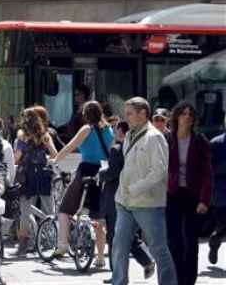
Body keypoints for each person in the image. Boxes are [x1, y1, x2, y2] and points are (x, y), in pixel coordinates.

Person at [112, 97, 177, 285]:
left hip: (148, 203)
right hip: (125, 201)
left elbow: (159, 170)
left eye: (130, 113)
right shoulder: (130, 135)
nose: (126, 117)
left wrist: (136, 188)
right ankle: (119, 282)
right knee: (119, 246)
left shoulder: (154, 137)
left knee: (158, 249)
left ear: (143, 113)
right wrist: (125, 191)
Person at [50, 100, 113, 268]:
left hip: (86, 170)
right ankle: (100, 257)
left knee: (65, 208)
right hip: (102, 172)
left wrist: (55, 159)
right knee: (98, 216)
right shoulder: (109, 130)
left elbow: (70, 147)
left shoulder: (86, 129)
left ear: (85, 115)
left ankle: (62, 245)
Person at [99, 121, 155, 284]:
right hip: (134, 196)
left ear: (120, 132)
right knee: (128, 235)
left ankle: (118, 274)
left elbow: (112, 172)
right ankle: (146, 260)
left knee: (115, 237)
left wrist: (101, 174)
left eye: (115, 130)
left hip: (117, 196)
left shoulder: (117, 150)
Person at [166, 102, 212, 285]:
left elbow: (207, 173)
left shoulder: (200, 142)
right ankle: (177, 278)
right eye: (183, 114)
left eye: (190, 114)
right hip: (172, 194)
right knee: (174, 240)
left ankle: (189, 280)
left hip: (192, 195)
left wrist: (204, 200)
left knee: (190, 241)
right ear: (177, 117)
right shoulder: (167, 139)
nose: (187, 117)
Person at [14, 108, 57, 256]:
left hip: (27, 175)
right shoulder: (46, 135)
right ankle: (51, 240)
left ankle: (23, 244)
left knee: (25, 210)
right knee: (48, 209)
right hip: (44, 174)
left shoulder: (22, 136)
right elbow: (55, 154)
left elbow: (17, 158)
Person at [208, 115, 226, 265]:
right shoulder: (216, 143)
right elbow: (209, 168)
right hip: (221, 193)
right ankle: (215, 241)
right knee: (222, 225)